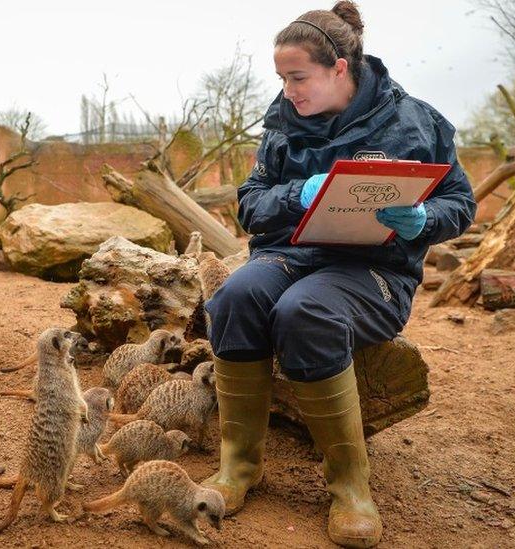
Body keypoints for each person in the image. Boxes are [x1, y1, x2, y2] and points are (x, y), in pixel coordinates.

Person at [200, 2, 476, 548]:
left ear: (341, 68)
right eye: (281, 78)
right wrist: (297, 194)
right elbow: (250, 208)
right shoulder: (280, 125)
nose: (289, 91)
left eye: (298, 77)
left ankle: (351, 487)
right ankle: (239, 468)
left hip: (374, 269)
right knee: (234, 296)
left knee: (306, 310)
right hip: (291, 253)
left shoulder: (417, 122)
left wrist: (424, 219)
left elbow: (460, 204)